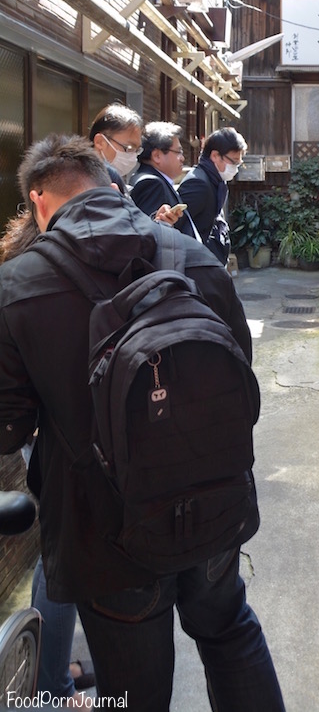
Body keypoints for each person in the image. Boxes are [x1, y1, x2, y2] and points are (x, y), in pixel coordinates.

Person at [0, 135, 284, 712]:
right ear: (111, 183)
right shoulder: (194, 257)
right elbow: (241, 380)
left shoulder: (18, 286)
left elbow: (8, 427)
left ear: (39, 202)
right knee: (229, 631)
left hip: (105, 532)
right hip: (213, 503)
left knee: (136, 687)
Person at [0, 210, 94, 708]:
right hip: (57, 438)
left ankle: (53, 672)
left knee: (62, 551)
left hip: (50, 435)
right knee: (62, 555)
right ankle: (51, 686)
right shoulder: (42, 279)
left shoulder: (25, 272)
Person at [179, 127, 247, 264]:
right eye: (233, 161)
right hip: (195, 263)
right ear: (215, 156)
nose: (235, 168)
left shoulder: (214, 180)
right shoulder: (198, 183)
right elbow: (179, 225)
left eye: (238, 163)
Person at [129, 121, 200, 239]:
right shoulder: (152, 184)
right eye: (178, 152)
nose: (182, 158)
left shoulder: (153, 179)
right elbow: (153, 237)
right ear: (157, 156)